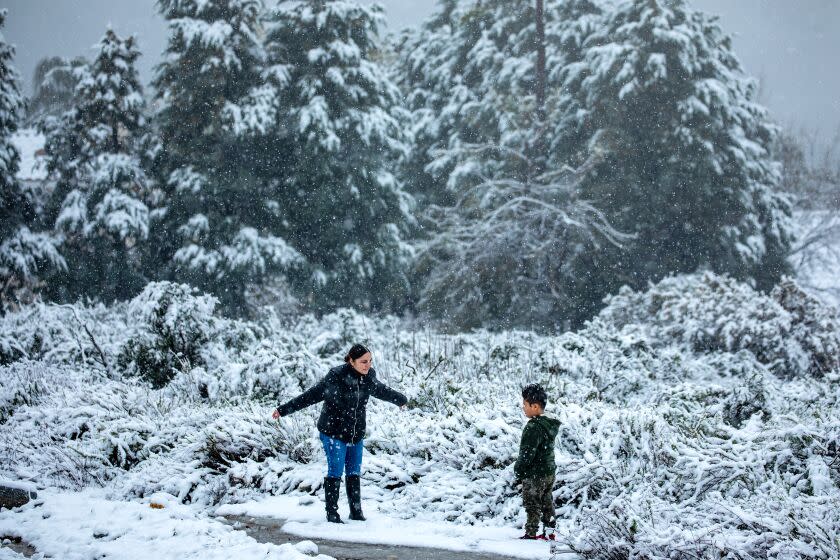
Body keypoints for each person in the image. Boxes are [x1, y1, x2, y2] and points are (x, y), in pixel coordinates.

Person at [272, 344, 407, 523]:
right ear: (351, 361)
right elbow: (311, 395)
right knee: (335, 470)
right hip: (333, 432)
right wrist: (284, 410)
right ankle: (332, 514)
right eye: (363, 362)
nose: (368, 365)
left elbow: (382, 390)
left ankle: (356, 512)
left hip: (355, 433)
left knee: (353, 472)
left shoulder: (369, 377)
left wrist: (401, 400)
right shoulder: (336, 377)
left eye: (370, 361)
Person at [513, 383, 560, 540]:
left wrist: (518, 470)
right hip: (549, 471)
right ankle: (550, 531)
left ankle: (531, 533)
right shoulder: (549, 424)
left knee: (532, 503)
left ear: (534, 406)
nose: (523, 407)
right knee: (547, 501)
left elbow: (527, 454)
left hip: (535, 474)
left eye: (525, 404)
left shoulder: (533, 427)